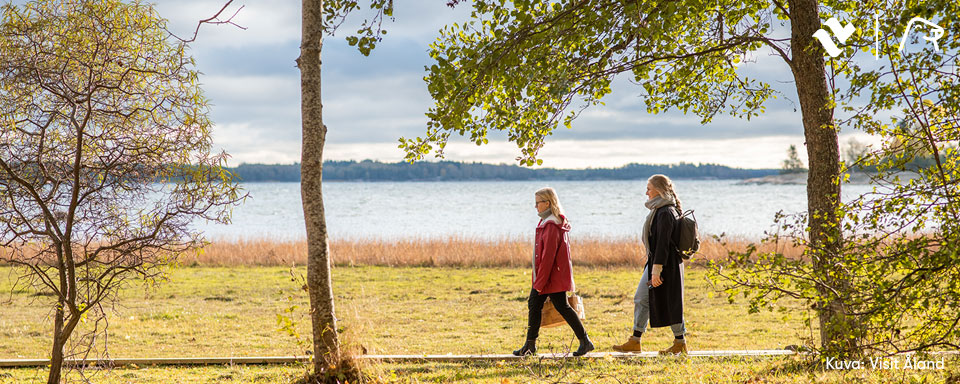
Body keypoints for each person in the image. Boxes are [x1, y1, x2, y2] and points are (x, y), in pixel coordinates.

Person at [512, 187, 594, 357]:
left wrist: (540, 282)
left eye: (538, 203)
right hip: (551, 276)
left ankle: (531, 345)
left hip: (550, 277)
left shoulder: (551, 224)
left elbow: (548, 257)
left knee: (540, 305)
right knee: (553, 306)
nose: (535, 206)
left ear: (547, 203)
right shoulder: (549, 222)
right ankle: (583, 341)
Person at [612, 174, 688, 355]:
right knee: (643, 299)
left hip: (664, 266)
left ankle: (679, 343)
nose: (646, 192)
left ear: (659, 190)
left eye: (649, 189)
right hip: (659, 264)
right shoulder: (661, 210)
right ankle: (635, 340)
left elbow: (663, 244)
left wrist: (656, 271)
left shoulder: (665, 212)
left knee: (670, 302)